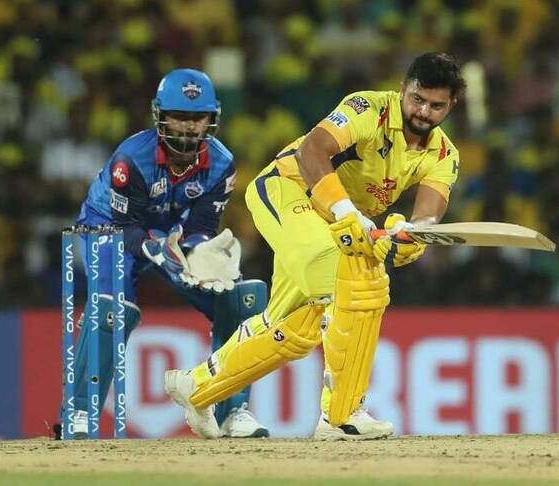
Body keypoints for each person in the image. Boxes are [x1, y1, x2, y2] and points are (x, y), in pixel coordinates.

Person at [164, 53, 466, 440]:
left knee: (294, 329)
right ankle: (341, 415)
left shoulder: (444, 154)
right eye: (417, 99)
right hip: (289, 190)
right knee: (359, 283)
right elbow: (312, 151)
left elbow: (427, 217)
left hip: (336, 224)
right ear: (402, 89)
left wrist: (409, 236)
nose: (423, 112)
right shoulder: (368, 108)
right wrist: (346, 211)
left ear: (451, 105)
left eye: (436, 105)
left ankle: (197, 387)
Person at [63, 68, 269, 439]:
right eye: (179, 116)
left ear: (211, 118)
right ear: (160, 116)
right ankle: (79, 413)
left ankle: (232, 410)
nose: (188, 127)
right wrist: (160, 250)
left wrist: (197, 253)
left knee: (240, 300)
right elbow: (127, 228)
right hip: (108, 228)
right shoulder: (132, 158)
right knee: (112, 308)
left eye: (197, 117)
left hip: (171, 232)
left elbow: (201, 227)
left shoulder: (222, 164)